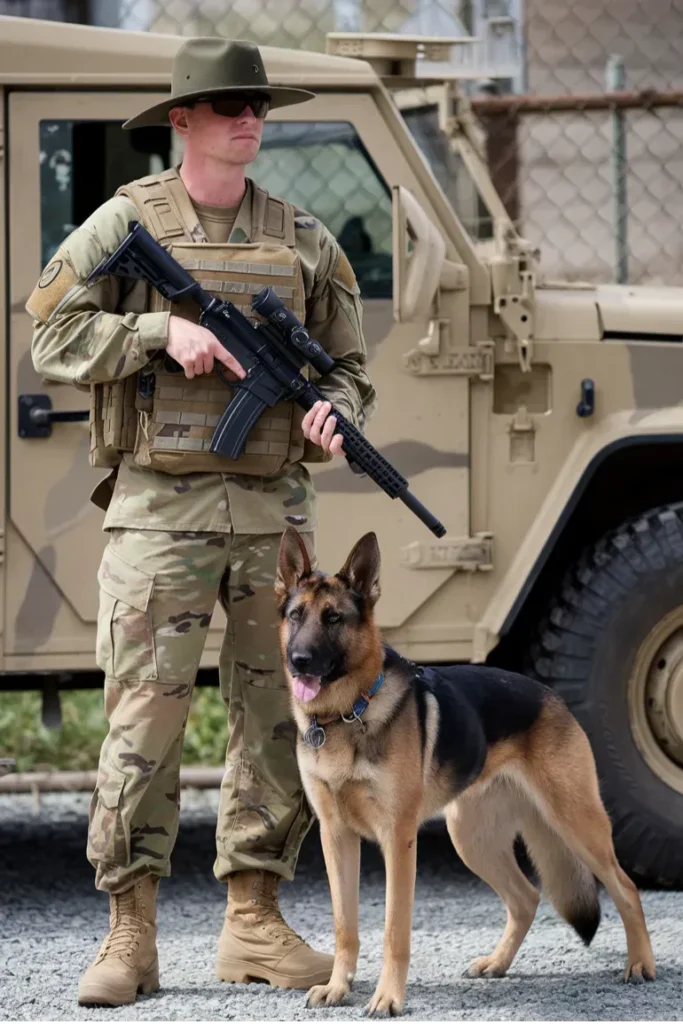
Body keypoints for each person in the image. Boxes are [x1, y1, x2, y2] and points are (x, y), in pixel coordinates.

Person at [27, 35, 377, 1008]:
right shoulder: (124, 223)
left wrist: (334, 414)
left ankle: (254, 923)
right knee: (144, 724)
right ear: (181, 121)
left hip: (274, 521)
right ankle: (130, 935)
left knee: (279, 723)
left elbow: (350, 369)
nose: (248, 118)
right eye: (227, 106)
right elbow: (47, 326)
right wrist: (154, 330)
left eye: (256, 104)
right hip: (159, 515)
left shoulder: (304, 237)